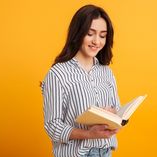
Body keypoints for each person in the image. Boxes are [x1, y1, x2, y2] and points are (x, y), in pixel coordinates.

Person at [41, 4, 120, 157]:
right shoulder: (58, 74)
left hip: (106, 152)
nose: (97, 41)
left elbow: (117, 110)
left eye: (102, 36)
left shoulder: (106, 72)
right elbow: (52, 126)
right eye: (90, 33)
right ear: (78, 33)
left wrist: (115, 118)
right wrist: (89, 134)